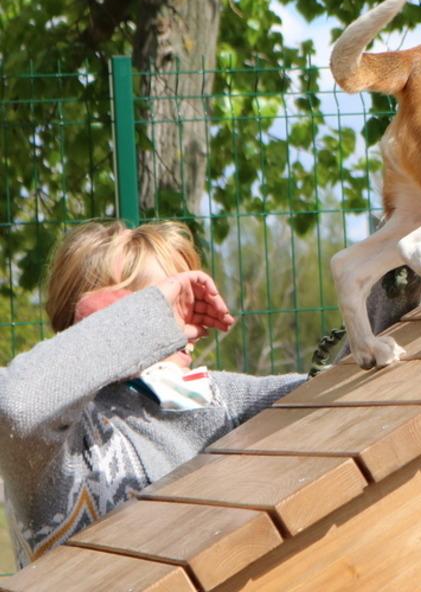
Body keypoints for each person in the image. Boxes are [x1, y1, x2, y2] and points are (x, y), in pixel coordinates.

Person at [0, 220, 307, 568]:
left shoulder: (218, 399)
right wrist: (141, 326)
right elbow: (16, 407)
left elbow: (338, 388)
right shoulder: (66, 443)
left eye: (187, 304)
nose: (180, 328)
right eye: (165, 306)